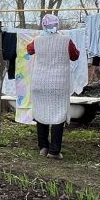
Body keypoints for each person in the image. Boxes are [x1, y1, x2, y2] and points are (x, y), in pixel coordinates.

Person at [27, 13, 79, 159]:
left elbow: (29, 50)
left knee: (41, 113)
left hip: (40, 82)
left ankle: (43, 147)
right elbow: (75, 56)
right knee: (58, 115)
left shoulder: (37, 40)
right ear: (58, 25)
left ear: (43, 25)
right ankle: (54, 151)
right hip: (58, 84)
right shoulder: (66, 40)